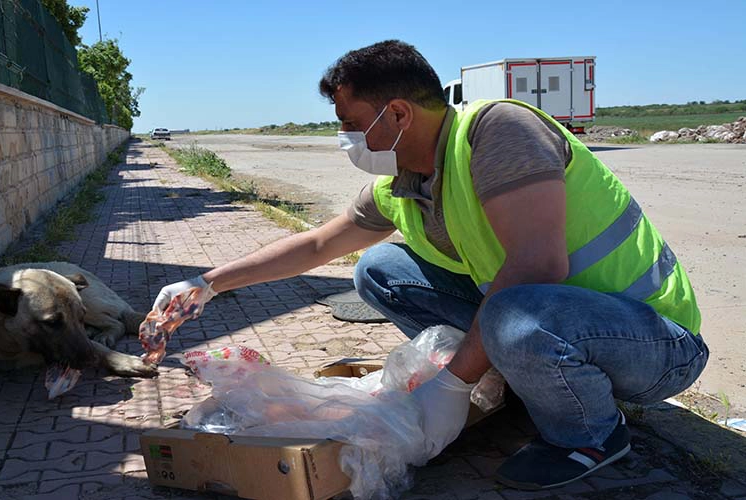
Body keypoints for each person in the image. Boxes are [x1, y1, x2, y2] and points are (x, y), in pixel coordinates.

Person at [151, 40, 708, 491]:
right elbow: (318, 245)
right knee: (380, 269)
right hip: (552, 324)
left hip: (653, 343)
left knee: (513, 311)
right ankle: (524, 381)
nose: (344, 138)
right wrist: (207, 283)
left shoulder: (498, 132)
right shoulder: (403, 182)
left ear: (397, 113)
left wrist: (451, 384)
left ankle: (592, 434)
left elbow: (538, 264)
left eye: (350, 122)